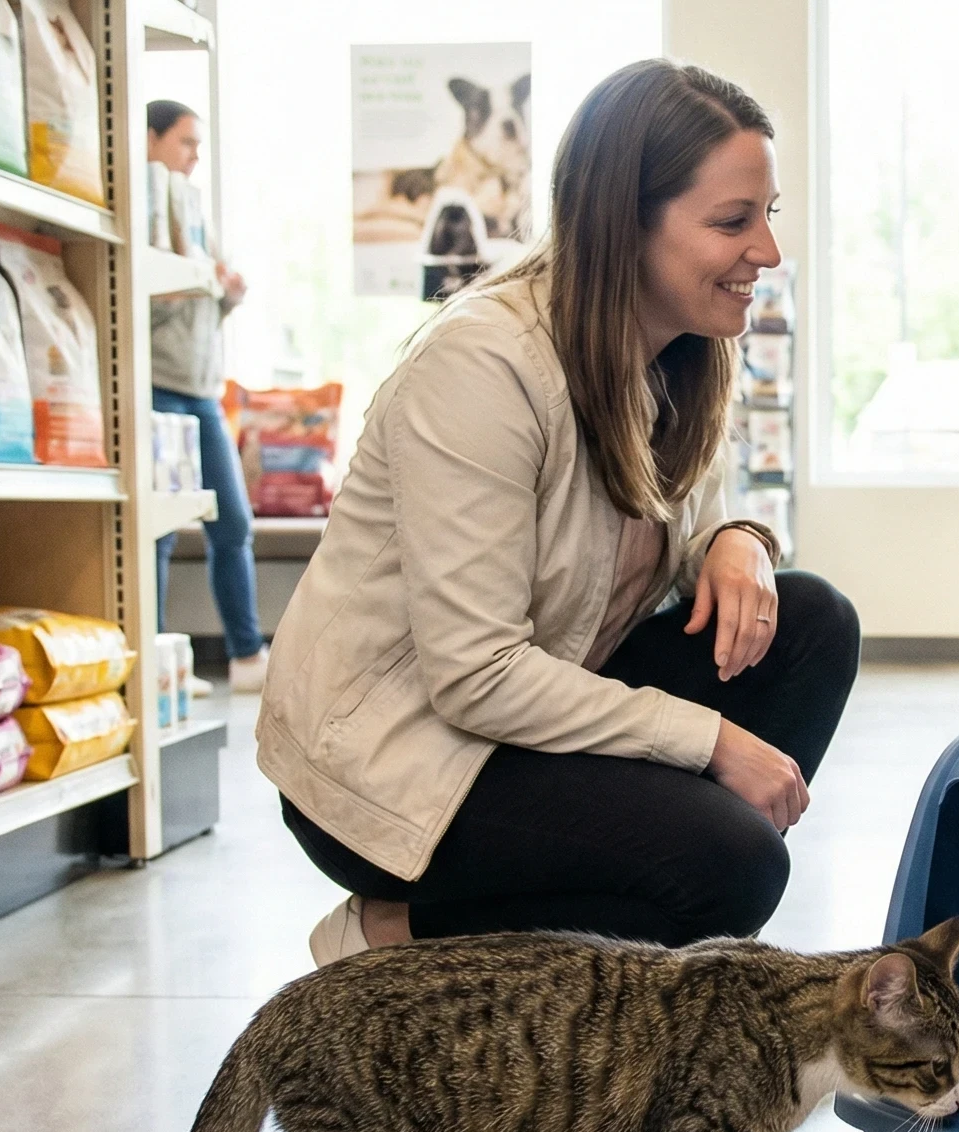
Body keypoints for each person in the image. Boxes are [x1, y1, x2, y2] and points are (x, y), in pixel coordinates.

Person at [257, 59, 860, 965]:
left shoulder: (679, 352)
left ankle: (616, 979)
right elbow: (476, 674)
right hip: (395, 762)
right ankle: (393, 936)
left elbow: (678, 527)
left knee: (811, 622)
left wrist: (738, 540)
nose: (766, 253)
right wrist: (710, 743)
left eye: (766, 216)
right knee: (728, 864)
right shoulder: (484, 369)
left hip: (526, 720)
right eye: (732, 222)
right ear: (625, 225)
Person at [148, 100, 265, 694]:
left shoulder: (191, 210)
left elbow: (201, 299)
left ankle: (248, 656)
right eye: (185, 142)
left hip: (201, 392)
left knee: (233, 523)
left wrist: (225, 294)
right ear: (149, 140)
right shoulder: (140, 209)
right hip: (154, 389)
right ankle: (157, 663)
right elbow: (132, 306)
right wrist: (184, 290)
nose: (194, 155)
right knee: (157, 530)